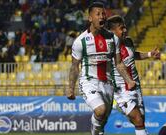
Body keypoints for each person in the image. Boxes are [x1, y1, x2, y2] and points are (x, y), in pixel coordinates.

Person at [66, 2, 136, 135]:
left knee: (103, 119)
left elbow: (119, 63)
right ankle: (94, 130)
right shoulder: (80, 41)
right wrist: (70, 88)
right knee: (100, 110)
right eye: (97, 14)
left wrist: (128, 80)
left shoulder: (112, 38)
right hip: (89, 82)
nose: (101, 16)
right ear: (90, 18)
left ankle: (97, 131)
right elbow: (75, 66)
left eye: (103, 13)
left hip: (108, 84)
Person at [107, 15, 160, 135]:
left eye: (125, 27)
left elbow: (133, 55)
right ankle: (116, 103)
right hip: (121, 90)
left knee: (141, 121)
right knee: (138, 119)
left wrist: (150, 54)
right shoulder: (108, 48)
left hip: (136, 87)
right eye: (121, 28)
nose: (125, 30)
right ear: (112, 31)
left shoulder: (128, 41)